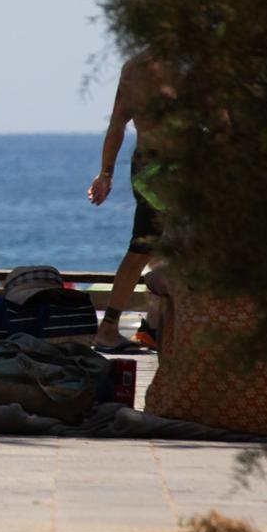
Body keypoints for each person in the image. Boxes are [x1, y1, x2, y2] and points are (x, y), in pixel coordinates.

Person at [88, 51, 178, 351]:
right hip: (166, 171)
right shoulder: (187, 65)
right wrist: (104, 174)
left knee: (149, 251)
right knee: (149, 248)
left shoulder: (135, 66)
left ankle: (146, 326)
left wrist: (106, 174)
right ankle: (120, 327)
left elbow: (117, 124)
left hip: (151, 167)